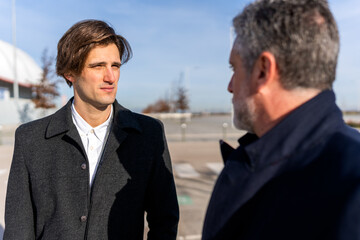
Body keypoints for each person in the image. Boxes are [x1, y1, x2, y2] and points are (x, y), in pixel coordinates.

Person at [4, 19, 179, 239]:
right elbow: (18, 229)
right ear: (70, 73)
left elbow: (165, 221)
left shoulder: (148, 134)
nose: (110, 77)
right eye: (98, 66)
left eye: (115, 66)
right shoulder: (31, 138)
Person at [202, 0, 360, 239]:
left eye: (234, 69)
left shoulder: (350, 189)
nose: (230, 86)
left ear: (263, 70)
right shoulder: (262, 158)